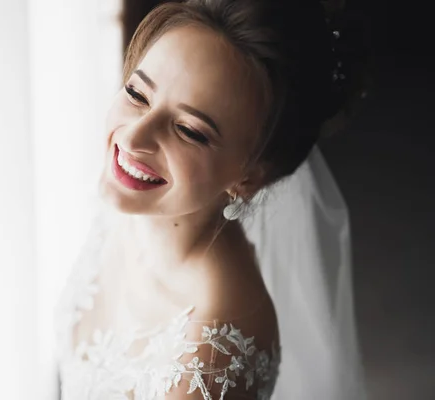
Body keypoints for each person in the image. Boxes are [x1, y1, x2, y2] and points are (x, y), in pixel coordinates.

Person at [54, 0, 366, 398]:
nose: (132, 138)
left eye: (188, 130)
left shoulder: (210, 355)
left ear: (250, 175)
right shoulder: (126, 200)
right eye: (137, 92)